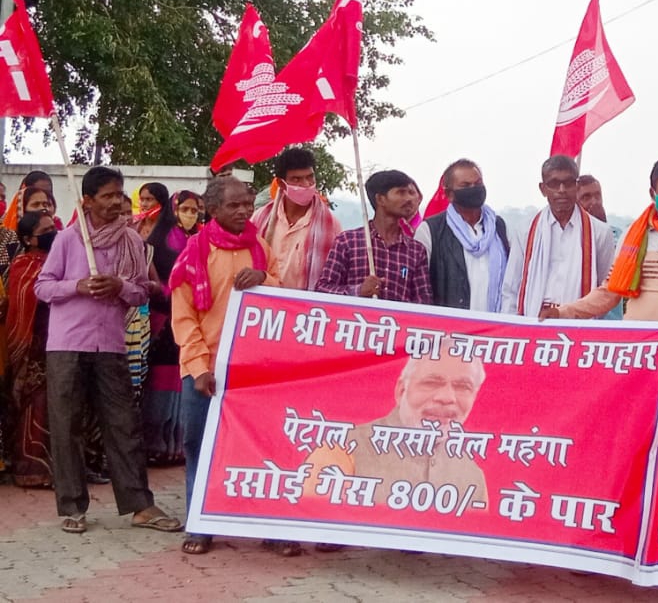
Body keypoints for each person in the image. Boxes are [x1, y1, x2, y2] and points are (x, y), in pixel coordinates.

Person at [33, 166, 181, 535]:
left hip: (112, 344)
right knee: (67, 426)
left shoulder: (131, 240)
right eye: (108, 196)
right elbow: (43, 287)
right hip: (67, 345)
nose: (117, 201)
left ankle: (140, 506)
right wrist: (78, 286)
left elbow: (141, 291)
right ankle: (72, 507)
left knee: (124, 425)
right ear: (87, 201)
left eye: (120, 194)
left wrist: (118, 286)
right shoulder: (68, 239)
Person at [170, 176, 287, 556]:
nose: (243, 211)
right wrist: (200, 368)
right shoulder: (194, 252)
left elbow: (283, 293)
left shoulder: (261, 249)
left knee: (259, 447)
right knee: (200, 446)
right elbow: (183, 317)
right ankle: (200, 524)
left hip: (253, 368)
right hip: (205, 369)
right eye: (234, 205)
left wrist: (264, 279)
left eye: (247, 204)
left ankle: (271, 529)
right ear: (213, 209)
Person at [544, 159, 658, 323]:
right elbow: (609, 293)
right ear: (652, 193)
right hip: (637, 339)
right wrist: (563, 312)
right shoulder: (633, 235)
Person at [305, 342, 489, 506]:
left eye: (463, 387)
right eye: (432, 383)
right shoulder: (342, 451)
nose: (447, 398)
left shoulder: (472, 477)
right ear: (401, 391)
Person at [501, 156, 615, 317]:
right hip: (534, 320)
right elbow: (511, 289)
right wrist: (514, 327)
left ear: (576, 186)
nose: (562, 190)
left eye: (568, 183)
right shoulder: (525, 230)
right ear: (543, 189)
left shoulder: (600, 233)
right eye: (554, 183)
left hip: (578, 323)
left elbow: (605, 293)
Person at [132, 183, 189, 466]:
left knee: (163, 377)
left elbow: (181, 275)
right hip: (140, 314)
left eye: (150, 199)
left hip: (166, 314)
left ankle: (165, 445)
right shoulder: (134, 228)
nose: (144, 204)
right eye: (142, 199)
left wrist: (161, 290)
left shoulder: (174, 234)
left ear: (163, 203)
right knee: (140, 379)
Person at [317, 170, 432, 304]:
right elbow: (323, 289)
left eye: (410, 193)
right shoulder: (348, 242)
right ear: (380, 199)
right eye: (401, 192)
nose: (408, 199)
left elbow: (424, 302)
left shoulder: (416, 251)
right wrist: (358, 291)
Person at [5, 212, 57, 487]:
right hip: (31, 348)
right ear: (28, 239)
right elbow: (22, 302)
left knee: (54, 407)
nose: (52, 233)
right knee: (33, 407)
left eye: (53, 227)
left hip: (57, 343)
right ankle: (30, 470)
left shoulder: (57, 261)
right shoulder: (22, 265)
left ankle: (55, 470)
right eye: (45, 231)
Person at [415, 159, 509, 312]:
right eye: (465, 186)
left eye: (478, 184)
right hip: (450, 323)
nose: (474, 189)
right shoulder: (431, 230)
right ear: (449, 194)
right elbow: (419, 286)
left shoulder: (498, 227)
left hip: (494, 322)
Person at [250, 148, 343, 291]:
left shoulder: (331, 226)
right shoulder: (260, 219)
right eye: (296, 179)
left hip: (304, 304)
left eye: (310, 177)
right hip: (263, 302)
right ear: (281, 184)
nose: (306, 184)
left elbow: (336, 277)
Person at [576, 174, 623, 320]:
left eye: (598, 195)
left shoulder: (617, 234)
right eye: (586, 197)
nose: (594, 202)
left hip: (611, 322)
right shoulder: (572, 238)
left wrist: (602, 227)